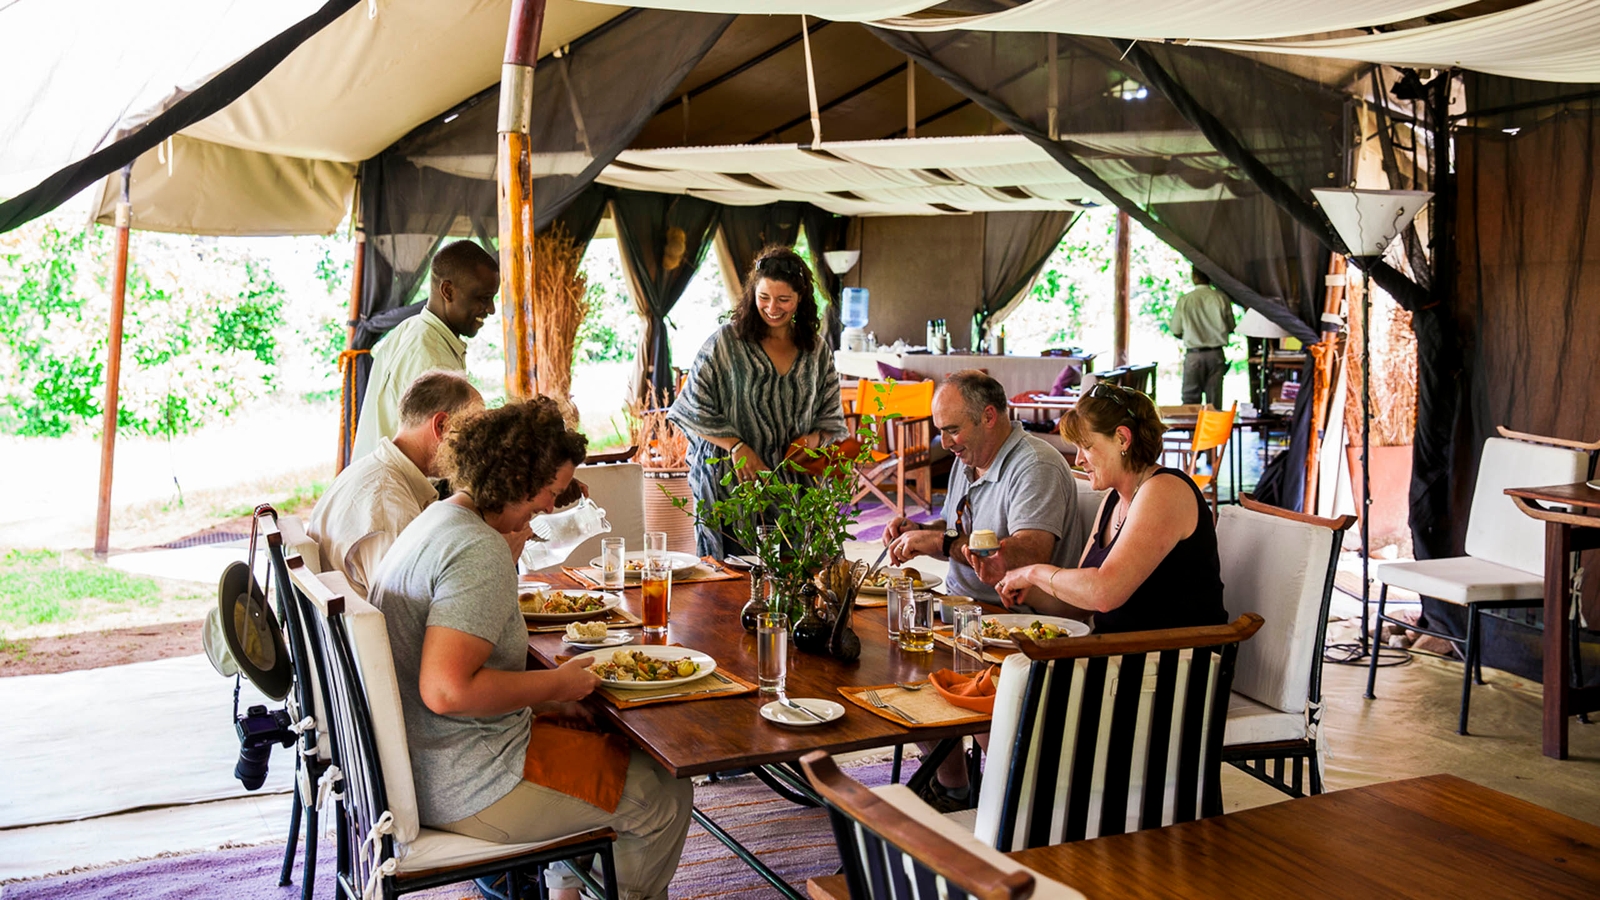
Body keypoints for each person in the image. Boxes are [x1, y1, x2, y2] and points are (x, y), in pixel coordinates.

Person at [368, 398, 692, 900]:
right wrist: (558, 684)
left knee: (602, 740)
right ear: (517, 478)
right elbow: (446, 690)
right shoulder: (478, 550)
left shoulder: (437, 520)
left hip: (428, 767)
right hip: (471, 785)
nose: (549, 506)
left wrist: (549, 702)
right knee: (664, 797)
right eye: (551, 491)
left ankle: (566, 890)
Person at [989, 383, 1227, 634]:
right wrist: (1022, 590)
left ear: (1122, 439)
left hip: (1177, 654)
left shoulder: (1165, 490)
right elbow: (1081, 605)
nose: (1079, 460)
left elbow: (1104, 593)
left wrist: (1033, 573)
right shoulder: (1114, 499)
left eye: (1086, 446)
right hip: (1120, 652)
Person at [668, 245, 847, 558]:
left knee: (804, 575)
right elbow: (691, 406)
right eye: (763, 297)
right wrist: (737, 447)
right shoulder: (726, 343)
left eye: (783, 299)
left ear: (801, 298)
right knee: (733, 578)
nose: (772, 307)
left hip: (797, 488)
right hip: (733, 487)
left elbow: (830, 418)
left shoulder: (816, 350)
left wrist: (812, 440)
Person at [883, 370, 1083, 606]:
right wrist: (919, 531)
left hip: (1012, 615)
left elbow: (1030, 556)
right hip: (958, 605)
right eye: (941, 431)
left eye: (953, 430)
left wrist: (940, 541)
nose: (945, 443)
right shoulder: (967, 457)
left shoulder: (1036, 465)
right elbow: (953, 531)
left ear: (988, 417)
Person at [306, 370, 481, 600]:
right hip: (365, 623)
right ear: (441, 426)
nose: (477, 445)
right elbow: (405, 611)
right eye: (472, 431)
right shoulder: (388, 502)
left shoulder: (378, 472)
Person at [352, 240, 499, 461]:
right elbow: (439, 457)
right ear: (448, 291)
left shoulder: (412, 329)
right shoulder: (431, 358)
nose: (491, 309)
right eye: (483, 298)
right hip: (395, 481)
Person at [1170, 266, 1236, 410]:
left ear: (1194, 277)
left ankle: (1192, 425)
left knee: (1190, 402)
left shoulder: (1185, 300)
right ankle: (1213, 425)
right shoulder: (1221, 298)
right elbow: (1231, 327)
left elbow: (1176, 330)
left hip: (1194, 355)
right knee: (1214, 402)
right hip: (1215, 354)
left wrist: (1192, 334)